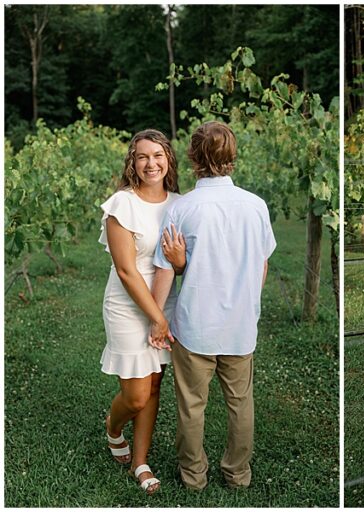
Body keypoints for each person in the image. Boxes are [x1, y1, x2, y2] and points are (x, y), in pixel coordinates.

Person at [149, 121, 276, 490]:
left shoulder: (183, 208)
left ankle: (193, 476)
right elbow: (262, 263)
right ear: (232, 156)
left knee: (192, 407)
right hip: (240, 327)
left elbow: (165, 271)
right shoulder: (256, 206)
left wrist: (158, 320)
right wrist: (247, 302)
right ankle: (238, 474)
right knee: (241, 405)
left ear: (192, 157)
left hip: (195, 327)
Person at [100, 129, 181, 494]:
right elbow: (126, 270)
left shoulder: (180, 203)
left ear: (169, 159)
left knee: (154, 383)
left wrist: (179, 263)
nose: (151, 163)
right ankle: (113, 427)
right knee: (135, 395)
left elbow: (182, 260)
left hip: (165, 299)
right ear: (133, 163)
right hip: (128, 304)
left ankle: (141, 461)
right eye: (143, 156)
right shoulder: (122, 204)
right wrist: (157, 318)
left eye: (158, 155)